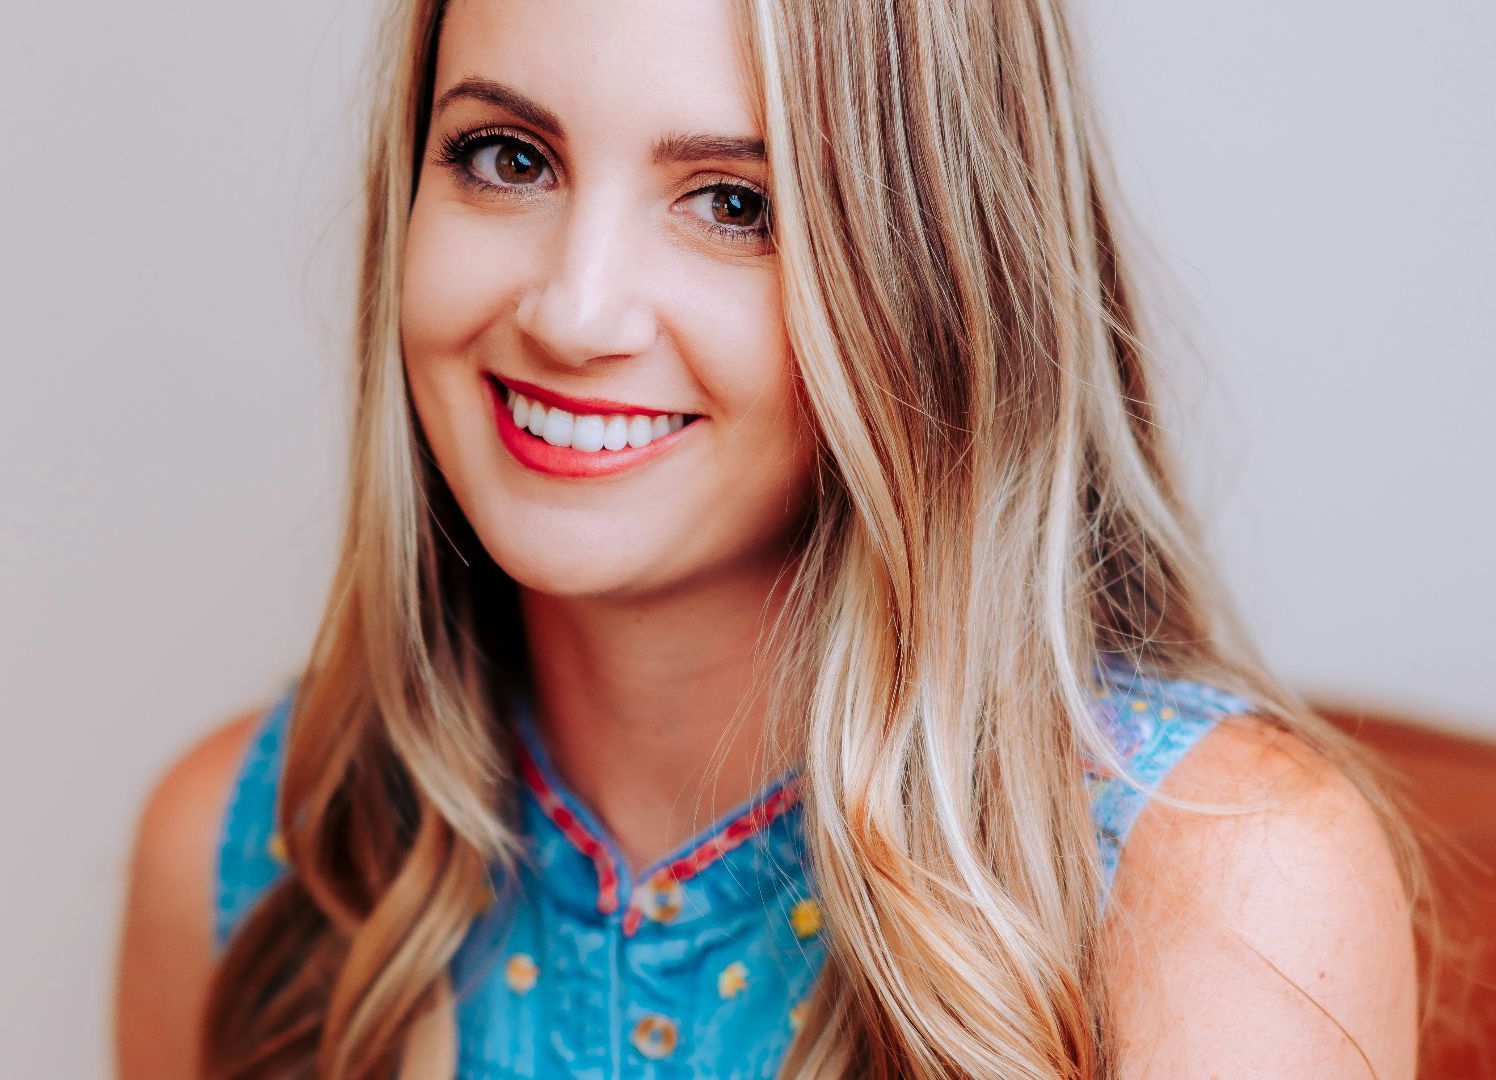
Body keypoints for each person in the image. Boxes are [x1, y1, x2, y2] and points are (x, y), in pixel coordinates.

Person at [116, 0, 1427, 1076]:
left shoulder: (1228, 885)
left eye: (735, 202)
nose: (575, 313)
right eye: (509, 159)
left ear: (934, 279)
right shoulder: (236, 852)